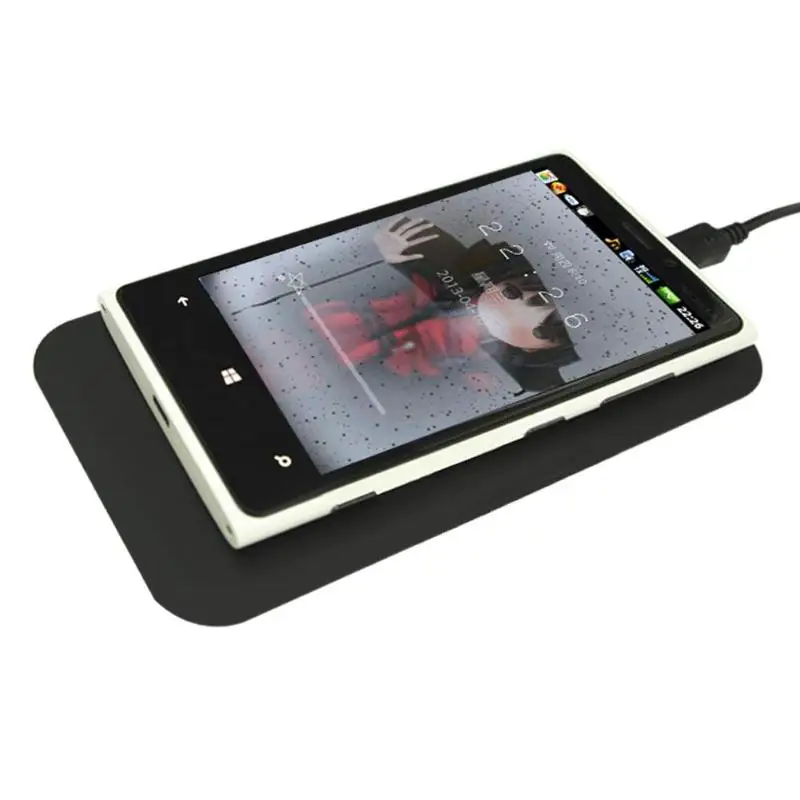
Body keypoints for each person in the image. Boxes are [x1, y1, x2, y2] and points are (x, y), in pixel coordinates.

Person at [310, 216, 580, 393]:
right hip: (352, 322)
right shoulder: (452, 277)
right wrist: (387, 255)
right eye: (511, 292)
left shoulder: (492, 363)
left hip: (382, 373)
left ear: (537, 351)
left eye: (541, 331)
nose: (511, 312)